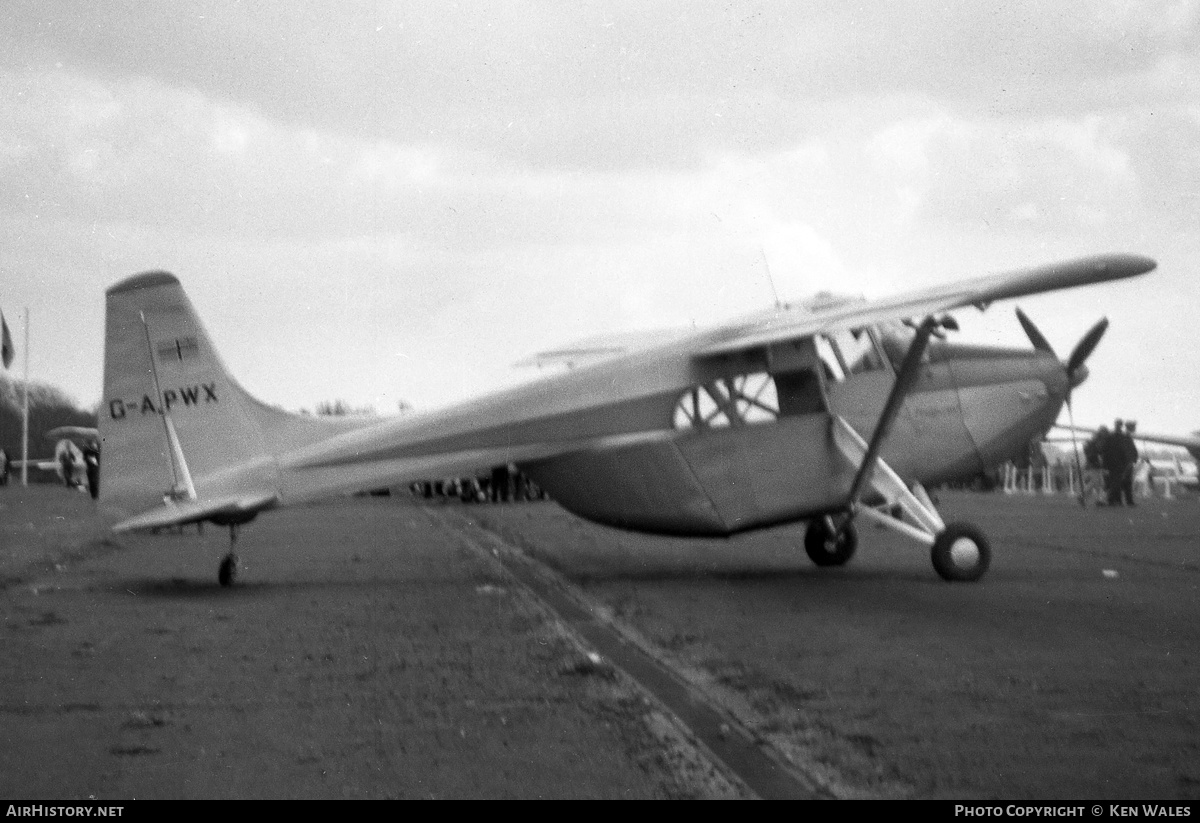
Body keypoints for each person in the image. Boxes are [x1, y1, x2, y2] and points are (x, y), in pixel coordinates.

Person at [1102, 420, 1126, 506]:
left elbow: (1105, 451)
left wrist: (1104, 465)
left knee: (1114, 482)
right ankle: (1112, 499)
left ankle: (1114, 500)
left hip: (1111, 464)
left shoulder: (1110, 436)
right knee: (1116, 483)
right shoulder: (1123, 437)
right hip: (1118, 464)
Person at [1120, 421, 1140, 506]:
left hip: (1128, 462)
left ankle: (1129, 500)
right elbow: (1128, 451)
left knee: (1126, 482)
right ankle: (1128, 500)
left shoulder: (1127, 437)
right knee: (1125, 482)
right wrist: (1131, 460)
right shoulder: (1126, 437)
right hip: (1127, 463)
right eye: (1134, 427)